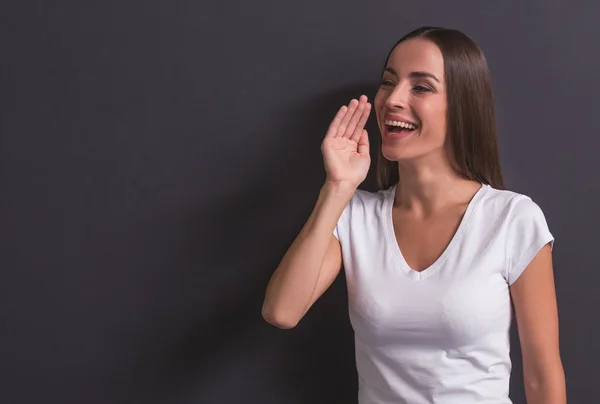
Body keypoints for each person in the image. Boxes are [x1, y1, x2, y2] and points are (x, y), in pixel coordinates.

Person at [261, 26, 566, 403]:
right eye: (388, 83)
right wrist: (337, 188)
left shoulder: (512, 219)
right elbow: (282, 311)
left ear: (462, 105)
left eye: (420, 87)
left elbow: (542, 377)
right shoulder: (355, 216)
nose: (392, 99)